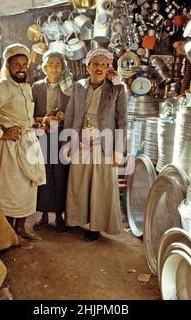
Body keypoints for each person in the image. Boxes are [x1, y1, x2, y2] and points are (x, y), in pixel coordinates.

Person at [0, 43, 46, 242]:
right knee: (10, 190)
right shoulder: (0, 87)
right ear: (8, 65)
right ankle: (7, 233)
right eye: (16, 64)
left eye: (24, 64)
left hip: (29, 143)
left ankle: (20, 228)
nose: (21, 68)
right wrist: (0, 133)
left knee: (28, 188)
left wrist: (37, 123)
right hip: (9, 147)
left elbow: (24, 118)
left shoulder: (27, 88)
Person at [62, 48, 127, 242]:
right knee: (79, 184)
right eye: (95, 64)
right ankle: (76, 219)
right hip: (81, 143)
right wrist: (67, 143)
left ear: (109, 67)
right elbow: (71, 115)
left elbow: (122, 121)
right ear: (88, 66)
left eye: (104, 64)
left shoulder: (117, 89)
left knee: (100, 186)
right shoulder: (78, 87)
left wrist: (118, 150)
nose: (99, 68)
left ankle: (95, 227)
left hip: (104, 144)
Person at [31, 51, 72, 232]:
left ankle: (60, 216)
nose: (54, 68)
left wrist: (63, 116)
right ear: (44, 68)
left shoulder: (68, 88)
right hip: (42, 135)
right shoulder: (36, 87)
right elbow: (29, 114)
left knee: (61, 174)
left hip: (62, 135)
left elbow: (74, 112)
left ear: (62, 68)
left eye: (58, 64)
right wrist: (44, 120)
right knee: (43, 173)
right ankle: (44, 216)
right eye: (50, 64)